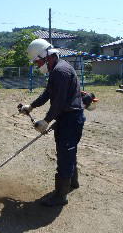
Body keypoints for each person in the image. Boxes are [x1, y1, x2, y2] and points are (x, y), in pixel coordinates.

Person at [19, 39, 86, 207]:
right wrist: (31, 106)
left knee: (65, 155)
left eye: (37, 61)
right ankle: (73, 183)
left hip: (70, 119)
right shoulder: (57, 68)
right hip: (69, 118)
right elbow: (48, 93)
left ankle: (60, 196)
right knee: (69, 152)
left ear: (46, 56)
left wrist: (46, 121)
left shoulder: (60, 71)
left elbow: (60, 102)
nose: (36, 64)